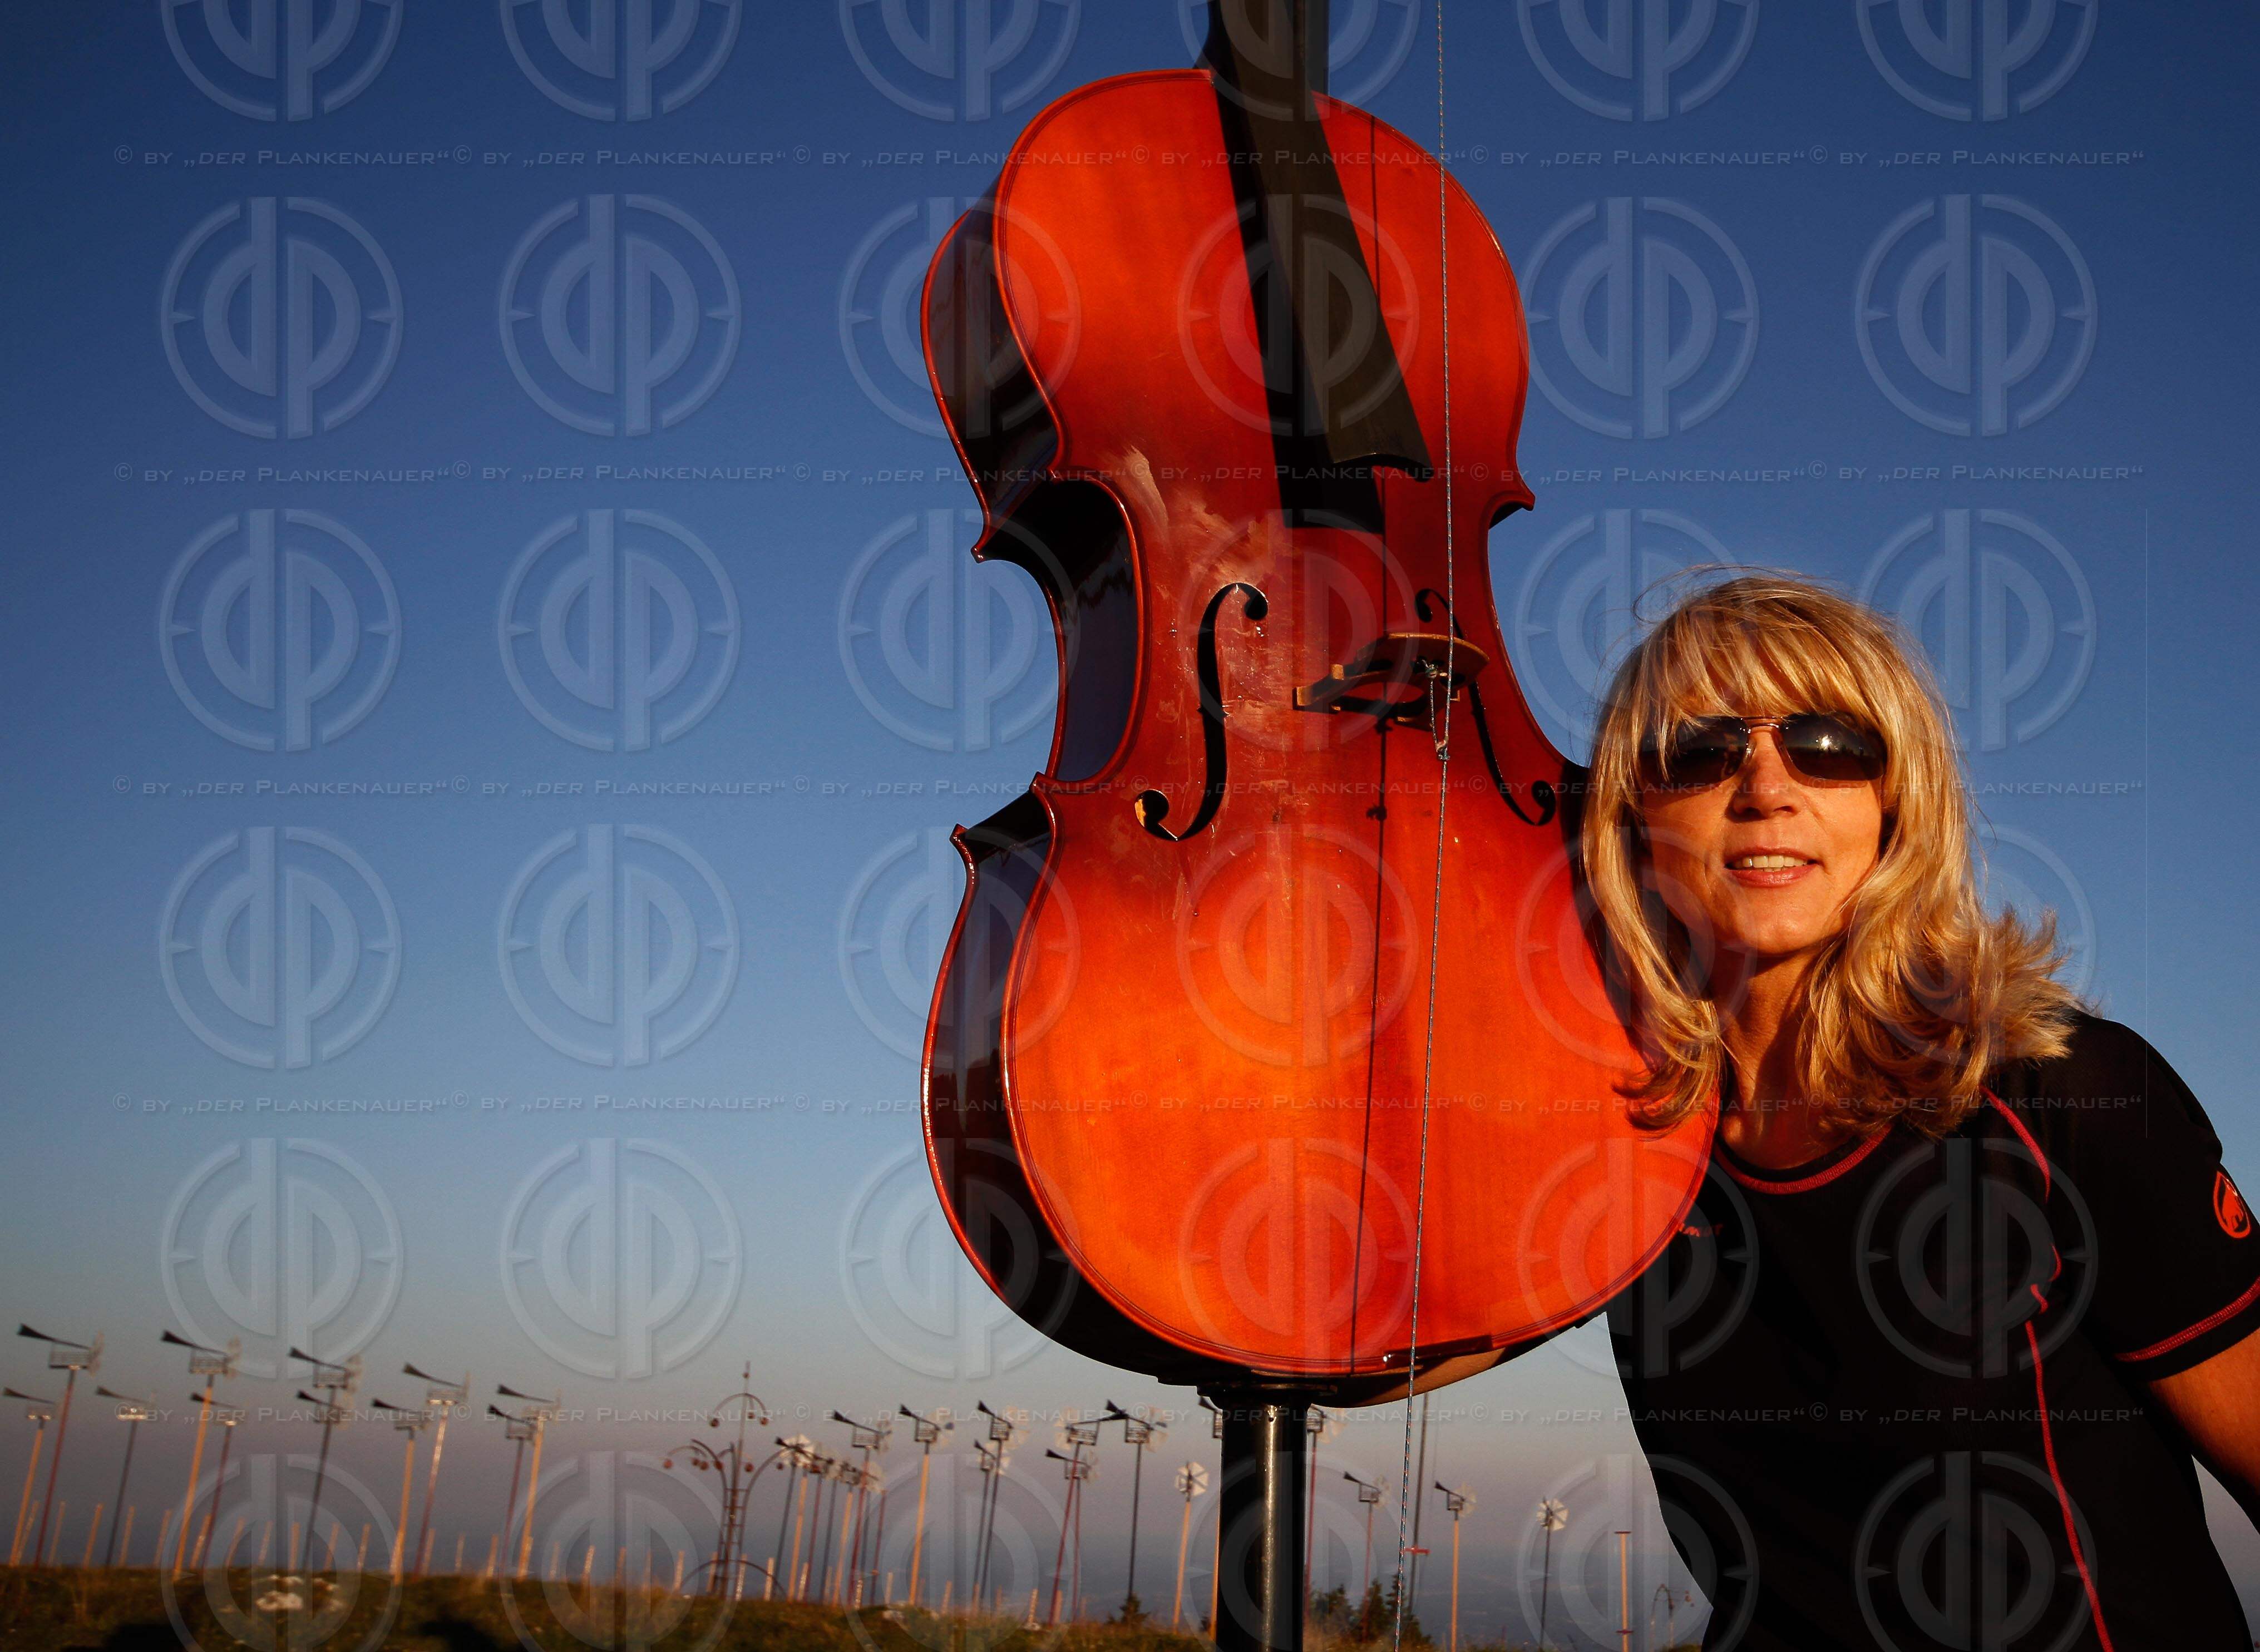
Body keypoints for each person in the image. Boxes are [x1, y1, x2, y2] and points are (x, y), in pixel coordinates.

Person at [1567, 572, 2260, 1648]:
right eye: (1701, 748)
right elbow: (1370, 1345)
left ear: (1894, 802)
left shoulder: (2063, 1091)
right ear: (1634, 814)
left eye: (1829, 744)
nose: (1766, 787)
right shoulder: (1617, 1142)